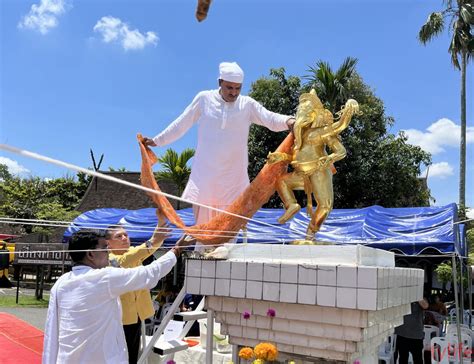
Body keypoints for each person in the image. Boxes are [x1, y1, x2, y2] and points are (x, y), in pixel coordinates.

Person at [142, 62, 295, 226]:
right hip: (206, 179)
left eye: (238, 88)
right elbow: (181, 124)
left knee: (229, 232)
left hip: (234, 179)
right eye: (229, 87)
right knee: (204, 231)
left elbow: (269, 118)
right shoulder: (204, 99)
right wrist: (157, 141)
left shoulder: (247, 104)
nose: (234, 92)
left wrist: (289, 121)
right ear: (219, 82)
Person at [42, 229, 189, 364]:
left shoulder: (61, 282)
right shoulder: (104, 277)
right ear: (91, 254)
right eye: (105, 248)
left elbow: (52, 330)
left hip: (67, 358)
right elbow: (150, 273)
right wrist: (176, 250)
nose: (108, 252)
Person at [267, 89, 359, 239]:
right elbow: (296, 157)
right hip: (301, 173)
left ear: (315, 114)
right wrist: (281, 156)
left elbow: (341, 150)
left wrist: (330, 158)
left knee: (325, 205)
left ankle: (311, 232)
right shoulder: (299, 136)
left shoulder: (323, 131)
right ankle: (291, 205)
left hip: (318, 171)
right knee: (281, 181)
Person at [105, 218, 194, 364]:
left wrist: (158, 231)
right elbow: (127, 259)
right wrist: (152, 240)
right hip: (120, 318)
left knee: (134, 354)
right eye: (119, 236)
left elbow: (148, 249)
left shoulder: (133, 252)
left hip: (137, 314)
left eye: (125, 235)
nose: (124, 238)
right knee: (120, 356)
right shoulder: (109, 258)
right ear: (108, 243)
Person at [394, 298, 429, 364]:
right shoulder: (400, 294)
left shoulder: (418, 296)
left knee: (418, 359)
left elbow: (426, 306)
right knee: (402, 359)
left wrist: (417, 295)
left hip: (416, 335)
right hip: (401, 333)